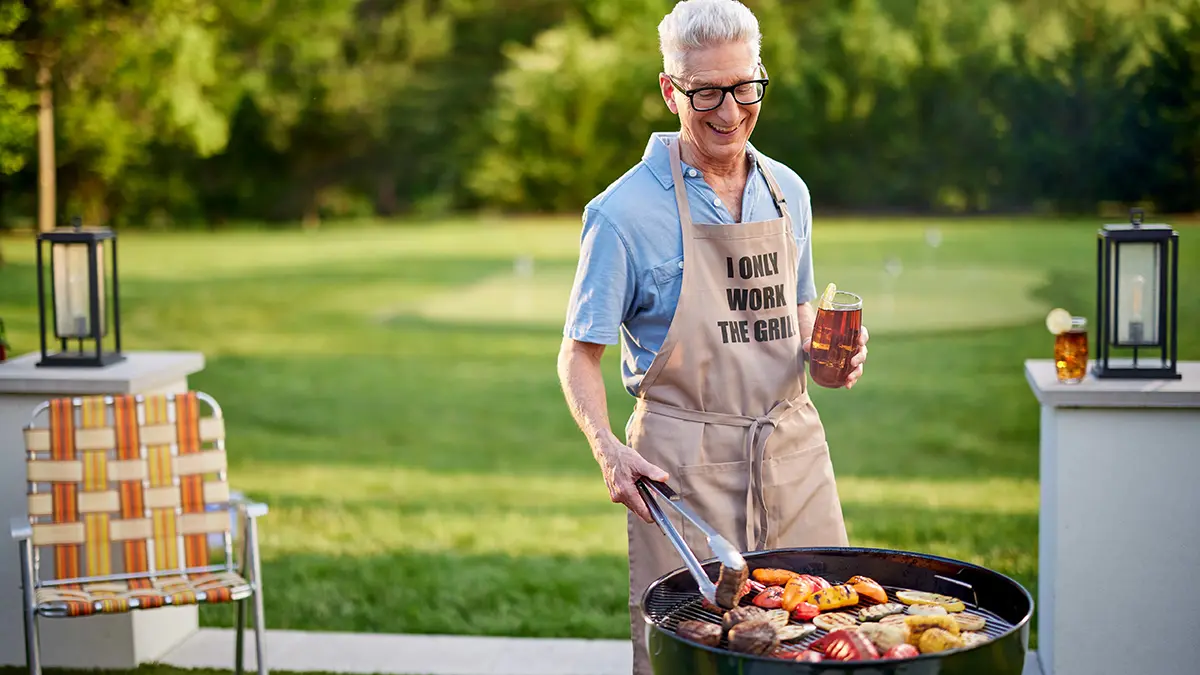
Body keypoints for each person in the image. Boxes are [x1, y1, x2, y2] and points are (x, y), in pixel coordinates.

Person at [556, 1, 868, 672]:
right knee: (698, 658)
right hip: (684, 478)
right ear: (670, 90)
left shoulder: (789, 191)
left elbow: (798, 309)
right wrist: (608, 451)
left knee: (831, 643)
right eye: (705, 93)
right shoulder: (620, 214)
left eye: (744, 87)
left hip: (793, 453)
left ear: (760, 76)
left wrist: (829, 361)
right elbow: (578, 354)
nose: (729, 111)